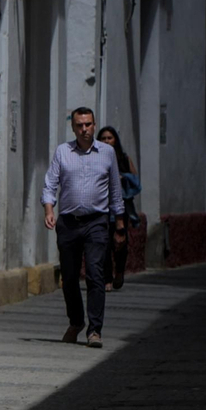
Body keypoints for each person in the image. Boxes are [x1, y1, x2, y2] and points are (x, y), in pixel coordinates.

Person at [42, 107, 125, 348]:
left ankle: (95, 330)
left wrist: (120, 225)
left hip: (96, 222)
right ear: (73, 127)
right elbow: (50, 184)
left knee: (95, 274)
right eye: (79, 125)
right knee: (69, 277)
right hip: (68, 222)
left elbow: (115, 190)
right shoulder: (63, 152)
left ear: (94, 125)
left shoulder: (107, 153)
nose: (84, 129)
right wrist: (49, 210)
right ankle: (76, 321)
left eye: (88, 124)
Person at [96, 125, 140, 290]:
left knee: (120, 241)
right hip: (101, 207)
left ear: (115, 140)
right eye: (103, 138)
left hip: (120, 208)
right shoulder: (95, 158)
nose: (107, 141)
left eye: (110, 138)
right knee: (104, 243)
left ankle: (120, 271)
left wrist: (122, 178)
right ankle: (107, 278)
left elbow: (135, 180)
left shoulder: (123, 158)